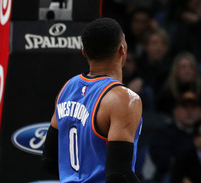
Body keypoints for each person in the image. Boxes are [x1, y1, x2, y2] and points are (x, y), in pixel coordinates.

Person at [41, 18, 143, 183]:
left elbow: (49, 161)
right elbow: (119, 175)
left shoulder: (68, 88)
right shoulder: (124, 98)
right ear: (122, 50)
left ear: (84, 52)